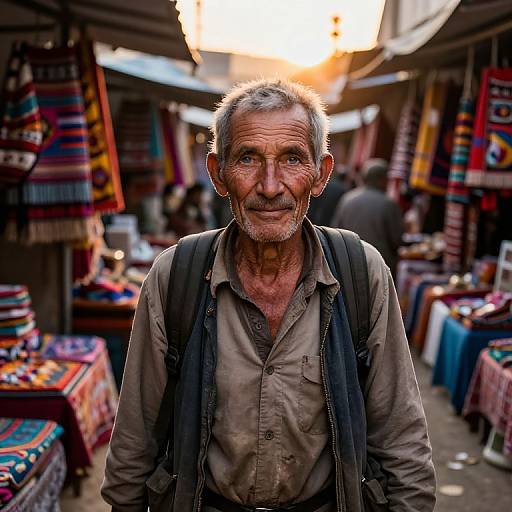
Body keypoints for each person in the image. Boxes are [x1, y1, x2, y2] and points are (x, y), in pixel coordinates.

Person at [102, 79, 435, 512]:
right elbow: (135, 436)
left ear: (321, 175)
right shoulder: (175, 275)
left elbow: (401, 435)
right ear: (218, 175)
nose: (271, 186)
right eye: (247, 159)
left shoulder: (361, 272)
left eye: (292, 159)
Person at [332, 159, 404, 276]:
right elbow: (397, 240)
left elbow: (335, 230)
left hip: (348, 262)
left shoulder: (347, 199)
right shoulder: (388, 204)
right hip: (379, 266)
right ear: (381, 180)